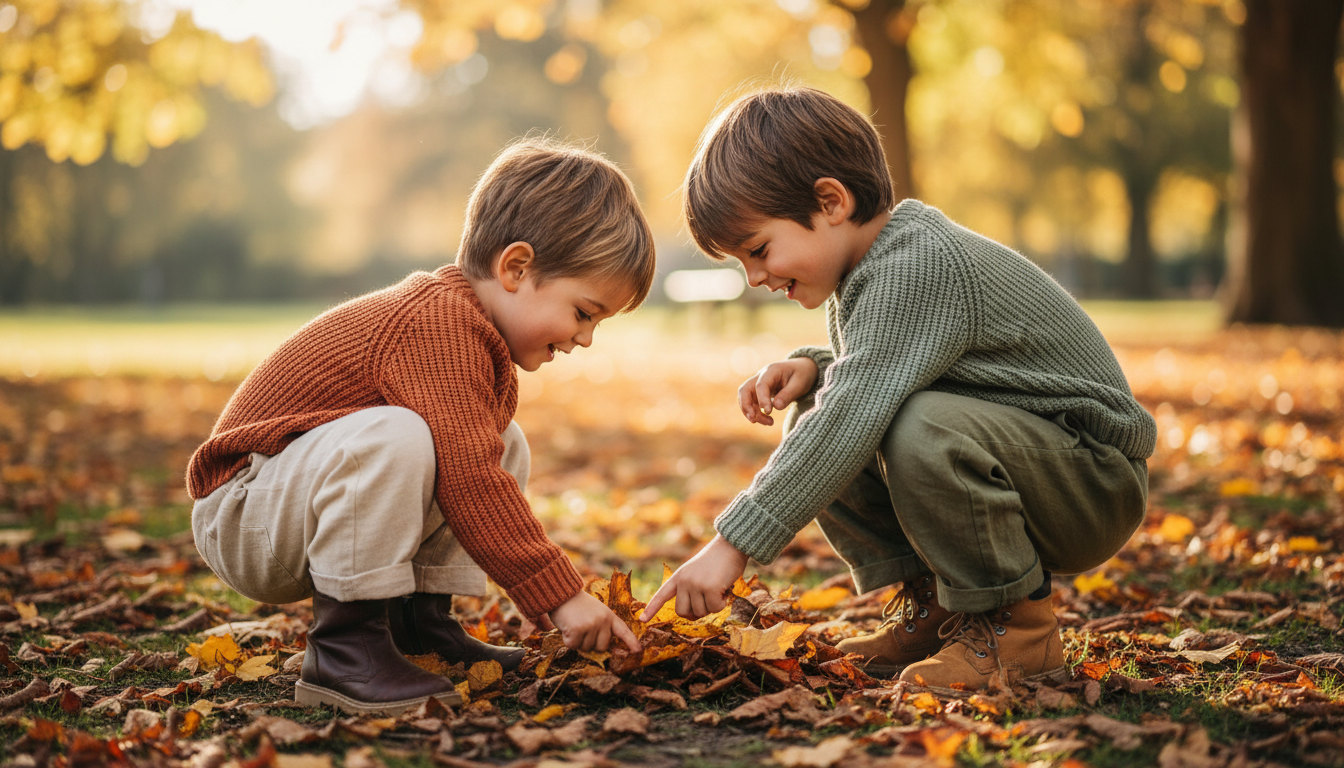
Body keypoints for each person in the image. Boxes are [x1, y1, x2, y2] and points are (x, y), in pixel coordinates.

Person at [641, 87, 1155, 693]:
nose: (754, 277)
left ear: (831, 201)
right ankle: (940, 609)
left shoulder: (917, 264)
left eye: (757, 250)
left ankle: (1020, 636)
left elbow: (860, 406)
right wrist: (819, 365)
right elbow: (910, 365)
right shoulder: (876, 266)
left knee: (899, 426)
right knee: (823, 405)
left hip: (1093, 482)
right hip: (1039, 462)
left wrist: (733, 546)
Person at [188, 139, 651, 715]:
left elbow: (475, 463)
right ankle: (344, 650)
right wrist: (562, 598)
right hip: (243, 513)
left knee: (501, 441)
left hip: (285, 505)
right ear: (516, 267)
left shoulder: (467, 329)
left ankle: (417, 626)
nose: (585, 337)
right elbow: (470, 480)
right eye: (584, 312)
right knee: (403, 438)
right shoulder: (436, 324)